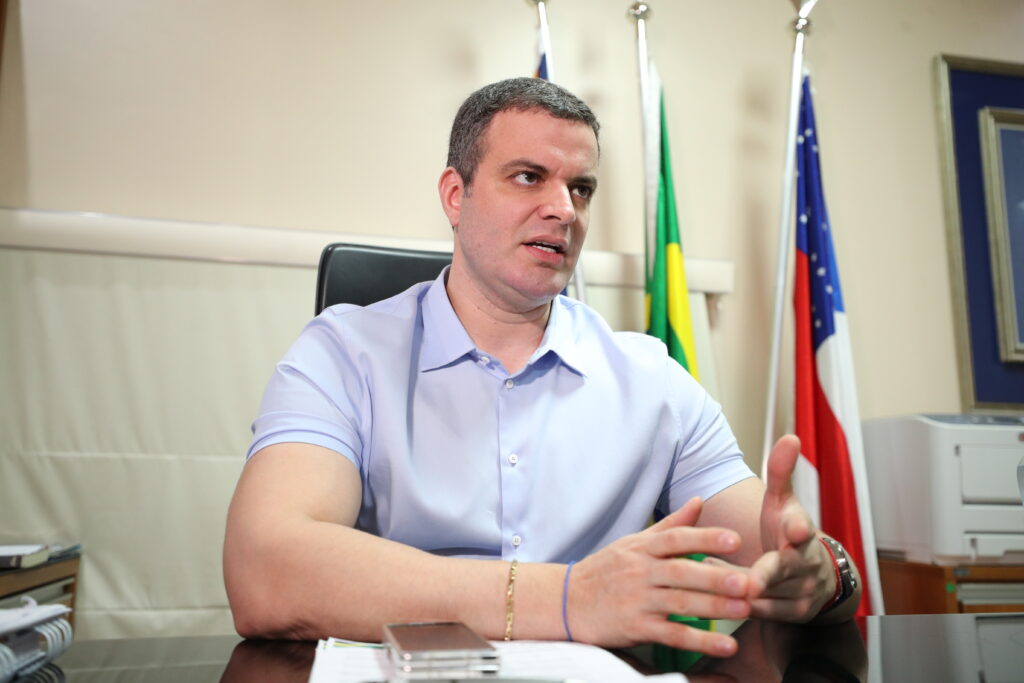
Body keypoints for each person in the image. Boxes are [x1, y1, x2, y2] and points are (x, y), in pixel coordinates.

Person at [223, 77, 861, 657]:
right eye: (529, 177)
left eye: (581, 188)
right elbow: (264, 570)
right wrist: (567, 599)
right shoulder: (343, 354)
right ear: (455, 195)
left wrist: (820, 572)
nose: (564, 210)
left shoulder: (650, 378)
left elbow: (779, 553)